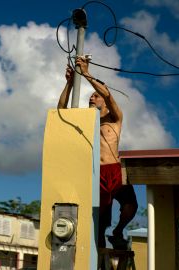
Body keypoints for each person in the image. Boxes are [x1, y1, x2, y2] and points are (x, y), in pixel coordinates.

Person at [58, 56, 138, 250]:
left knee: (130, 206)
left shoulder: (114, 119)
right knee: (100, 221)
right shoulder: (85, 123)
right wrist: (69, 84)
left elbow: (109, 96)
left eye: (95, 95)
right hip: (96, 173)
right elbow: (61, 110)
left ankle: (118, 232)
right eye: (90, 96)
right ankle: (100, 254)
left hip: (115, 170)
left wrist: (86, 74)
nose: (91, 97)